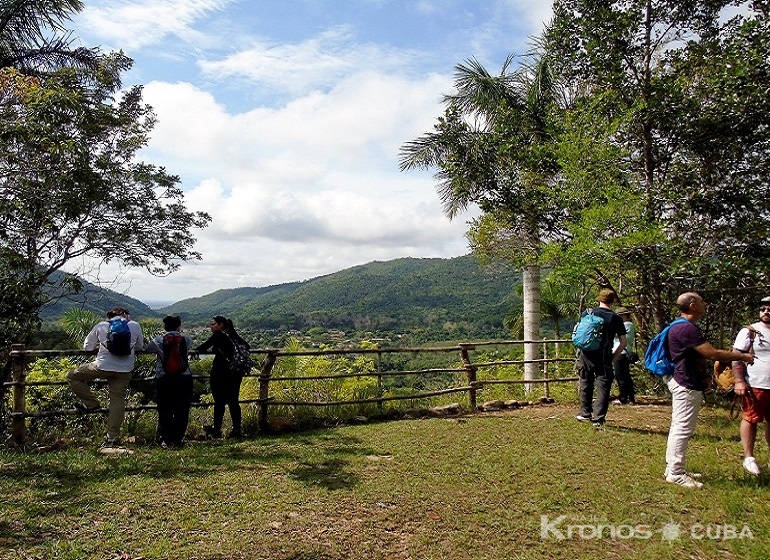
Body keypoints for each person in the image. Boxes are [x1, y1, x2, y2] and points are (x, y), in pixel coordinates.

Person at [664, 292, 754, 488]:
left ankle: (672, 467)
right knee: (682, 428)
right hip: (685, 382)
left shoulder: (680, 326)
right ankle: (676, 473)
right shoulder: (686, 329)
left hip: (682, 380)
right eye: (702, 301)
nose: (705, 304)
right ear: (692, 306)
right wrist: (742, 356)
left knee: (678, 426)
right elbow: (711, 353)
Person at [66, 307, 144, 447]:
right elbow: (139, 347)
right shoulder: (135, 325)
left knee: (72, 376)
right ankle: (112, 437)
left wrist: (101, 345)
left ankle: (91, 403)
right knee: (117, 400)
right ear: (125, 314)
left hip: (102, 366)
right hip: (125, 369)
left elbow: (87, 347)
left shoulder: (102, 325)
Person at [575, 289, 627, 427]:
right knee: (603, 385)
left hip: (585, 353)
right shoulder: (615, 318)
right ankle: (598, 418)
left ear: (599, 299)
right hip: (604, 355)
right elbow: (623, 342)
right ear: (612, 301)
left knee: (585, 381)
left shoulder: (588, 313)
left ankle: (585, 413)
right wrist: (613, 356)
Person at [731, 297, 770, 476]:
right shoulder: (751, 331)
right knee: (751, 418)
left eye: (769, 308)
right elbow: (736, 356)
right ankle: (749, 457)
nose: (766, 311)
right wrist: (739, 380)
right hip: (757, 384)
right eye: (763, 308)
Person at [144, 315, 194, 448]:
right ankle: (178, 439)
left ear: (165, 327)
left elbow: (147, 349)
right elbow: (188, 347)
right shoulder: (186, 339)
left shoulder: (159, 340)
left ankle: (166, 439)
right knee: (182, 409)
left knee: (165, 408)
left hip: (164, 378)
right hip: (184, 378)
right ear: (179, 327)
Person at [195, 316, 248, 438]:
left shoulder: (219, 335)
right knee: (233, 402)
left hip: (220, 374)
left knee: (219, 402)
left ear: (221, 325)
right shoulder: (234, 336)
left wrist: (194, 352)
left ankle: (217, 429)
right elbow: (246, 346)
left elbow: (204, 346)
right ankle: (236, 430)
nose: (211, 327)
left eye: (213, 324)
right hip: (235, 374)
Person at [612, 307, 637, 404]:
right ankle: (630, 397)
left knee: (620, 375)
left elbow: (620, 336)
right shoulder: (626, 325)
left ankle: (623, 397)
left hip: (620, 352)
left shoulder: (627, 325)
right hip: (622, 352)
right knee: (625, 375)